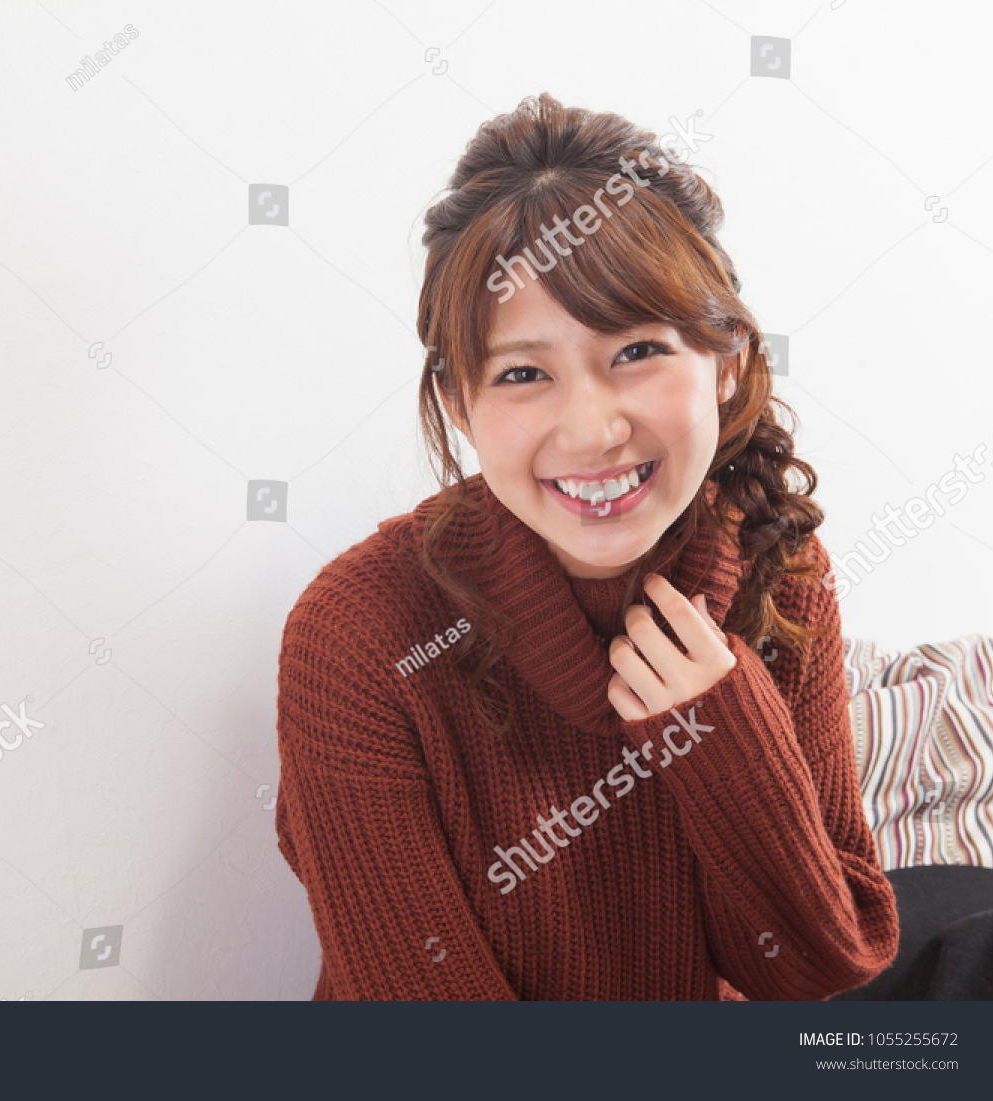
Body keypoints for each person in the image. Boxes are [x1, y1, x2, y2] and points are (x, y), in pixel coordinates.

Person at [272, 92, 899, 1000]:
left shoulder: (779, 570)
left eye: (637, 351)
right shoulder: (358, 634)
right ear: (459, 403)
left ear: (724, 362)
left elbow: (818, 968)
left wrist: (720, 729)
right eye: (525, 373)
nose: (593, 429)